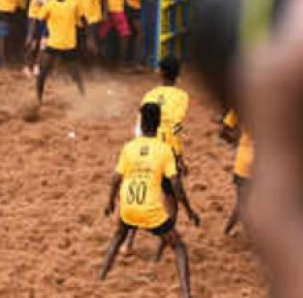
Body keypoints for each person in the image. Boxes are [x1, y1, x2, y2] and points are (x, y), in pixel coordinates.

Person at [100, 103, 200, 298]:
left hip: (127, 206)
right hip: (150, 210)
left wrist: (110, 202)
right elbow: (177, 186)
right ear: (158, 123)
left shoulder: (129, 147)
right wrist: (190, 211)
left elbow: (115, 178)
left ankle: (101, 277)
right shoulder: (165, 149)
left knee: (117, 237)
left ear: (141, 122)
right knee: (179, 247)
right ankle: (186, 294)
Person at [36, 0, 85, 105]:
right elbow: (40, 20)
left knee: (76, 75)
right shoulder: (50, 4)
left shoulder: (73, 3)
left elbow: (81, 21)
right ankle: (38, 100)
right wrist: (40, 38)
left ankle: (83, 97)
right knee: (42, 73)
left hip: (69, 44)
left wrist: (83, 38)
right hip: (53, 43)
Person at [141, 55, 190, 174]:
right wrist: (178, 156)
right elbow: (176, 125)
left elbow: (141, 126)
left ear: (160, 72)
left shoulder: (149, 95)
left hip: (147, 146)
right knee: (174, 190)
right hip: (167, 147)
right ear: (178, 74)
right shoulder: (181, 96)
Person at [220, 109, 254, 236]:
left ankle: (227, 231)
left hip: (243, 162)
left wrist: (237, 143)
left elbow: (223, 132)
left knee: (242, 202)